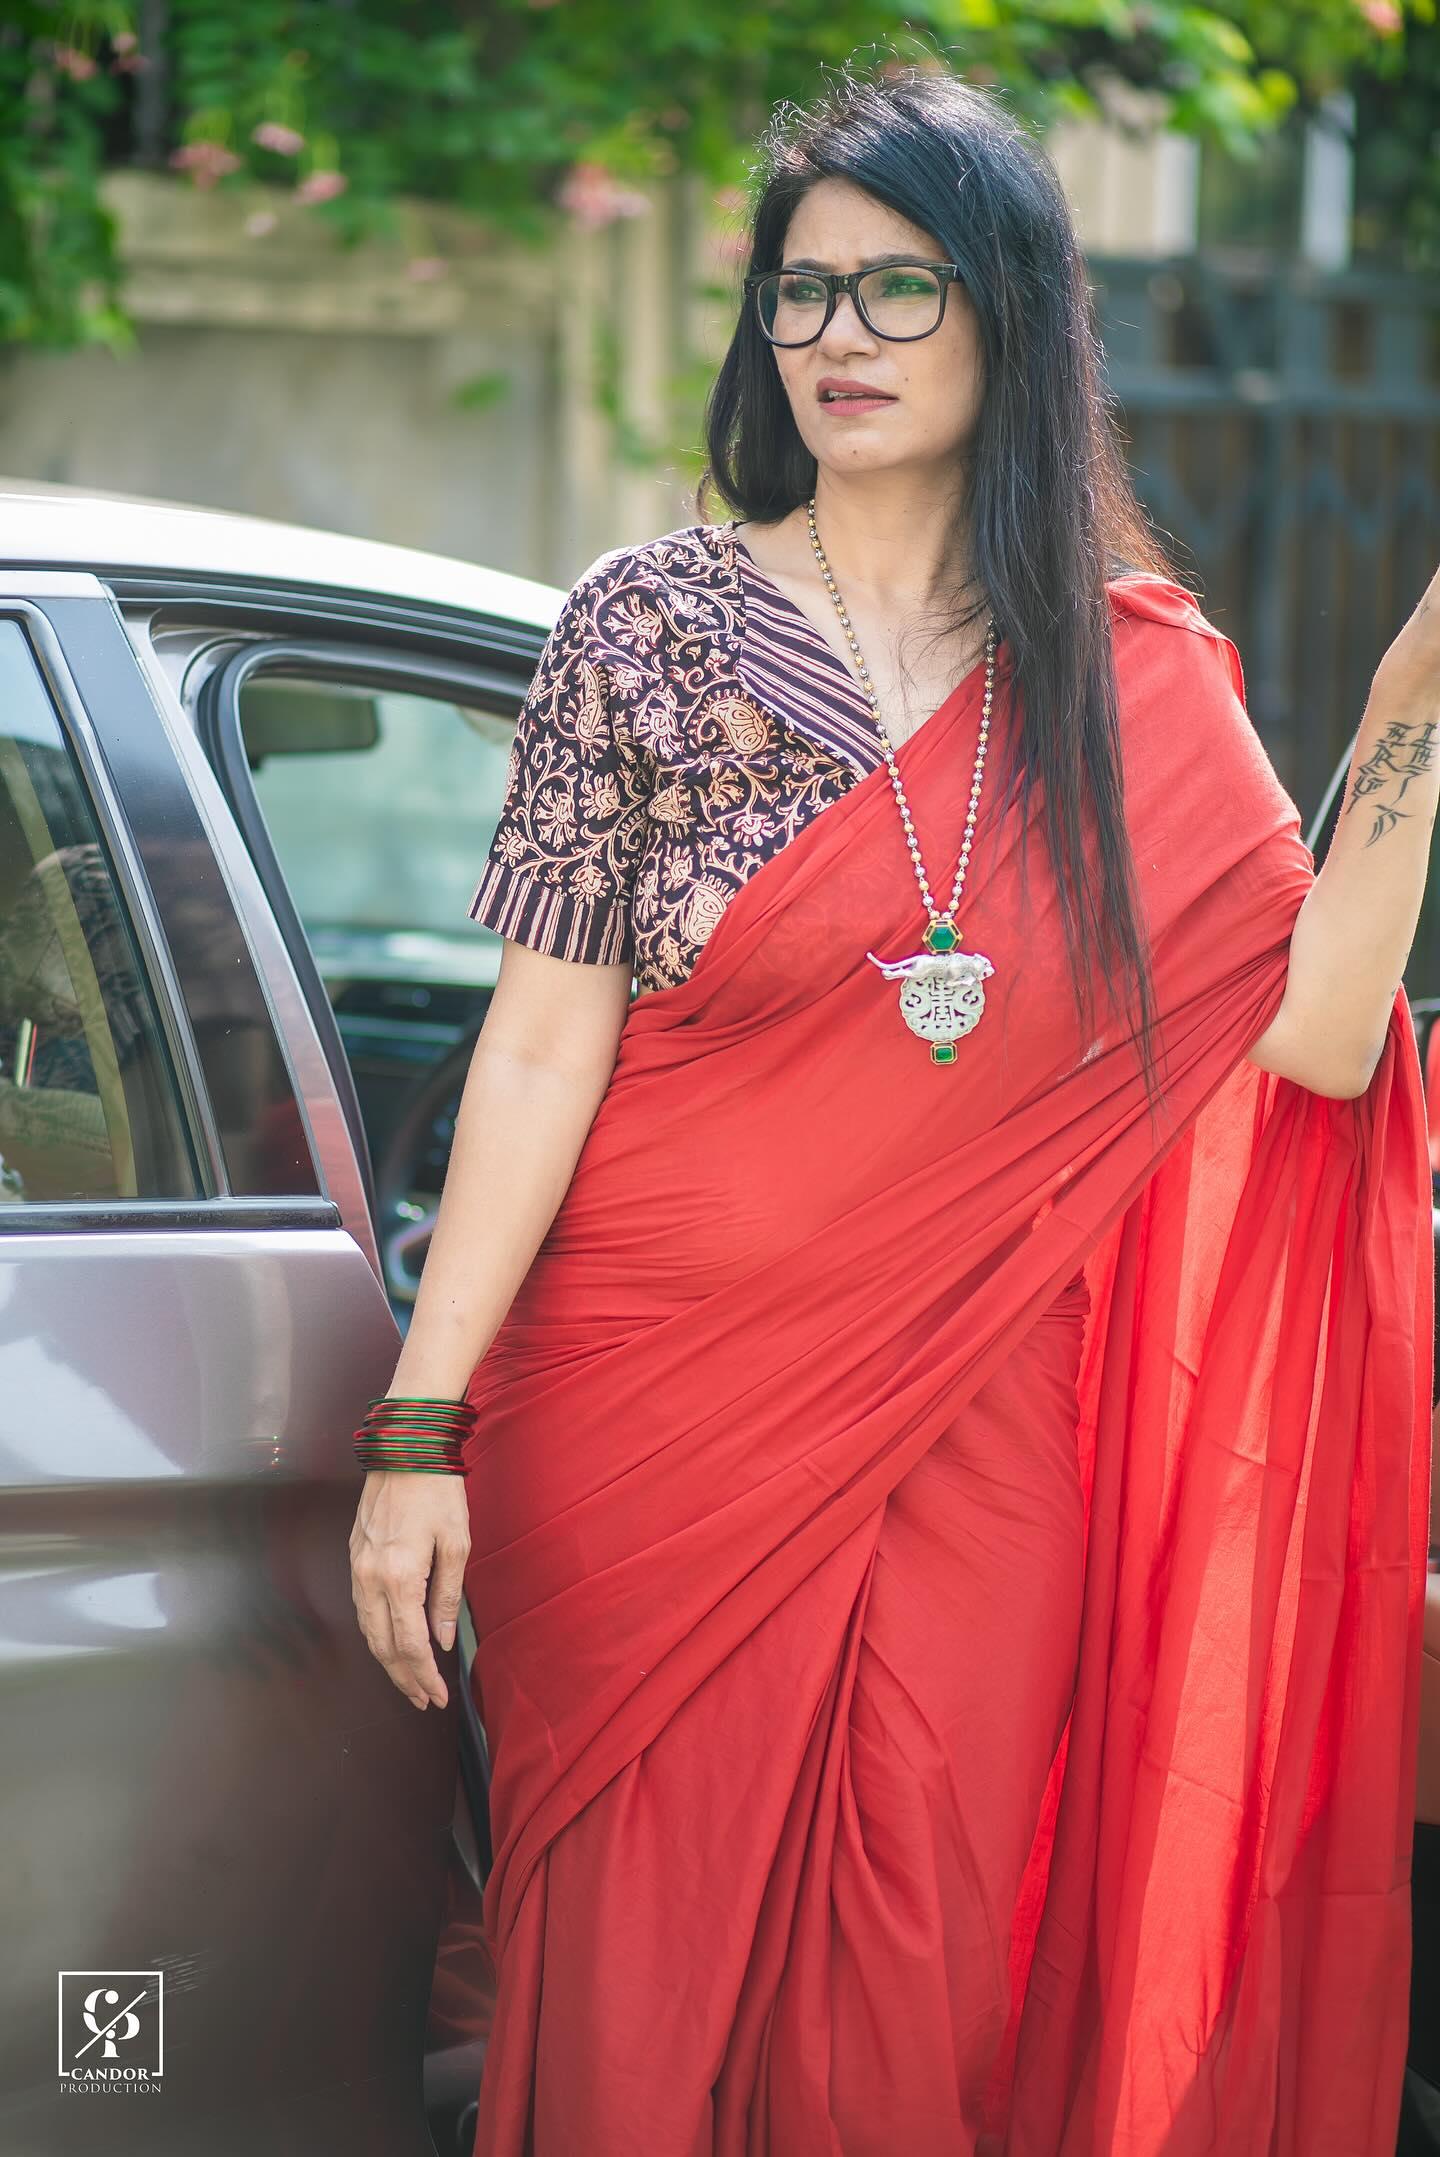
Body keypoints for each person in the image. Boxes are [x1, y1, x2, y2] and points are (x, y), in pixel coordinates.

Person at [348, 64, 1439, 2157]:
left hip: (977, 1423)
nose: (835, 337)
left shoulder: (1138, 681)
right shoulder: (645, 631)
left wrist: (1407, 710)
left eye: (898, 290)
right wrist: (422, 1425)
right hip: (641, 1417)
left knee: (924, 1963)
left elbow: (1312, 1031)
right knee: (635, 1982)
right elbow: (543, 1045)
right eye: (798, 295)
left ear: (1013, 317)